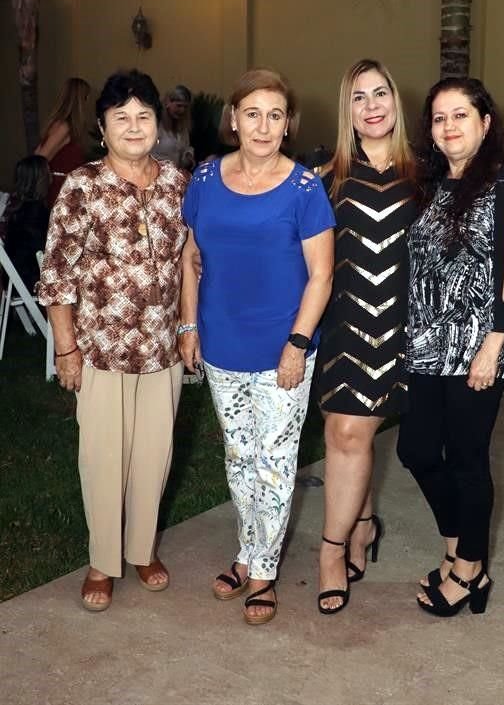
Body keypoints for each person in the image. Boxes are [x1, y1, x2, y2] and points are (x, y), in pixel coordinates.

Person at [179, 68, 335, 626]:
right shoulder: (202, 178)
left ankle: (264, 570)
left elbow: (321, 275)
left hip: (283, 348)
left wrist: (297, 343)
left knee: (274, 462)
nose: (264, 125)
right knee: (240, 455)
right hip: (222, 341)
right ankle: (246, 551)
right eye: (253, 113)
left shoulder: (304, 188)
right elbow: (190, 257)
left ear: (287, 124)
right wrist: (189, 326)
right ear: (234, 120)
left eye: (275, 115)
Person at [37, 69, 189, 613]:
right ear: (102, 127)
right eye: (120, 117)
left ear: (157, 125)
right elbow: (56, 275)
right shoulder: (81, 186)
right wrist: (65, 348)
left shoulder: (177, 184)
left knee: (154, 454)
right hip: (99, 348)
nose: (133, 125)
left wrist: (190, 328)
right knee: (102, 457)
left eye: (142, 115)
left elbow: (190, 262)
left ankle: (142, 549)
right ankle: (103, 560)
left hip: (162, 348)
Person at [397, 76, 504, 617]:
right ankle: (458, 547)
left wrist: (493, 347)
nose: (449, 127)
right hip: (428, 346)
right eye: (439, 118)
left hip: (479, 346)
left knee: (468, 460)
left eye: (460, 115)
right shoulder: (432, 185)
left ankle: (470, 572)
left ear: (485, 122)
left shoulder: (503, 184)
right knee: (418, 451)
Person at [314, 59, 417, 614]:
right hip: (341, 326)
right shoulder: (325, 175)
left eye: (382, 93)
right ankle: (363, 522)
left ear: (396, 102)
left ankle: (330, 551)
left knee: (352, 434)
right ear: (346, 110)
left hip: (402, 327)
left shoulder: (424, 172)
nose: (372, 105)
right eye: (359, 97)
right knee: (346, 434)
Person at [35, 77, 91, 207]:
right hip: (59, 192)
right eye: (86, 98)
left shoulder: (65, 126)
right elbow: (39, 158)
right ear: (79, 101)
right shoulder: (64, 127)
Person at [2, 156, 50, 293]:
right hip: (28, 281)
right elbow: (43, 250)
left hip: (13, 281)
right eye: (48, 172)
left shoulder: (18, 209)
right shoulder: (35, 212)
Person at [152, 84, 195, 170]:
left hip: (175, 176)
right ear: (168, 104)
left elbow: (186, 147)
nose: (182, 110)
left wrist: (188, 156)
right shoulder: (156, 126)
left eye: (185, 107)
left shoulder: (183, 129)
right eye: (178, 106)